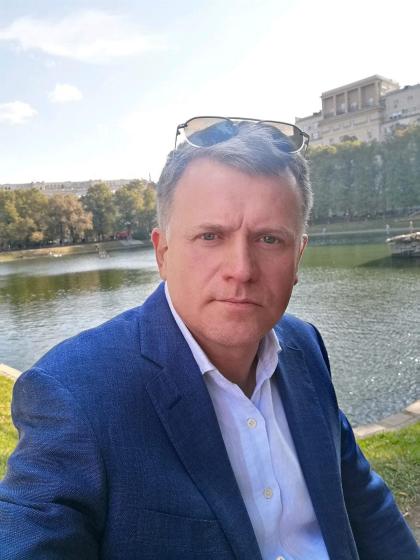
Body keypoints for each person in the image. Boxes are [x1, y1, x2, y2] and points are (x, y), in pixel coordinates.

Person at [0, 117, 418, 560]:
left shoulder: (305, 346)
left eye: (269, 239)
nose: (241, 269)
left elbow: (363, 502)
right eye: (210, 236)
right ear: (163, 252)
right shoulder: (75, 392)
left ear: (298, 256)